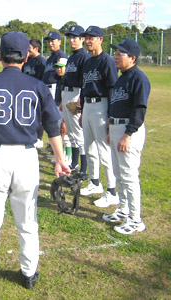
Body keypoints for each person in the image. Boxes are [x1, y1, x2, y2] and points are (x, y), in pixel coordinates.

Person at [0, 31, 70, 293]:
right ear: (25, 57)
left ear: (0, 55)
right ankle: (29, 273)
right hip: (26, 155)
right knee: (27, 220)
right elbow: (53, 126)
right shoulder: (38, 86)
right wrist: (59, 159)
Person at [102, 38, 150, 234]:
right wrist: (110, 130)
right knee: (119, 174)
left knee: (129, 176)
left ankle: (135, 219)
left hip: (128, 131)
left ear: (132, 57)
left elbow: (139, 110)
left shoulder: (139, 78)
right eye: (115, 52)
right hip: (116, 129)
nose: (115, 56)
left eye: (120, 53)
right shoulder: (122, 77)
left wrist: (127, 134)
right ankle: (123, 210)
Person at [79, 26, 119, 208]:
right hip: (88, 105)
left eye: (92, 37)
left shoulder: (107, 61)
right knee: (89, 147)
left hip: (102, 105)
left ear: (101, 39)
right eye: (86, 37)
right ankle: (95, 182)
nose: (88, 40)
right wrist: (82, 110)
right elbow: (83, 85)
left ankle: (112, 191)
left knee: (104, 150)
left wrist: (111, 115)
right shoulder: (88, 61)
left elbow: (112, 88)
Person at [61, 25, 90, 174]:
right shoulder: (71, 57)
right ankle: (74, 163)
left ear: (82, 39)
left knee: (78, 133)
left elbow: (85, 80)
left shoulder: (84, 57)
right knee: (71, 133)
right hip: (66, 93)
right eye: (70, 37)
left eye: (75, 37)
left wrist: (80, 99)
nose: (71, 40)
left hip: (76, 94)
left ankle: (84, 169)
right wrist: (62, 99)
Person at [23, 38, 46, 148]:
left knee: (38, 116)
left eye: (30, 48)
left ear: (36, 48)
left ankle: (39, 139)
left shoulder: (41, 61)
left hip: (35, 92)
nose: (28, 50)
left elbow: (41, 80)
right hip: (25, 91)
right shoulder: (28, 60)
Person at [42, 31, 68, 99]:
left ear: (59, 42)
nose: (50, 43)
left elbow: (62, 75)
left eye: (52, 41)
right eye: (48, 41)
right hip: (47, 88)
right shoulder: (49, 58)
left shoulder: (61, 56)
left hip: (55, 88)